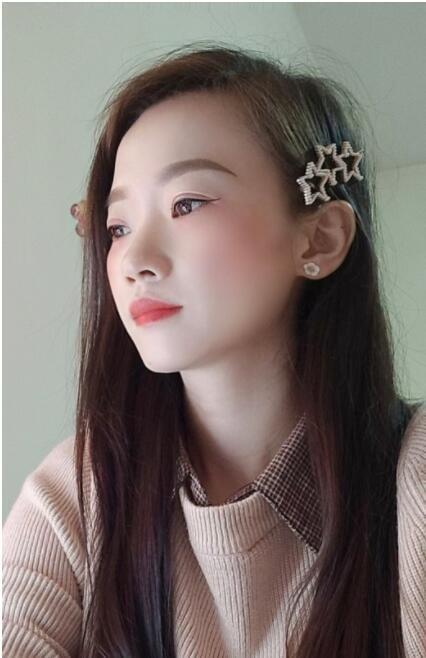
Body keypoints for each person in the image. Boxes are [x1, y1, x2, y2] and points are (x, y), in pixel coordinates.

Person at [3, 42, 425, 658]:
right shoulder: (79, 490)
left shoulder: (412, 477)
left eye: (188, 203)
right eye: (118, 227)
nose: (135, 260)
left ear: (320, 238)